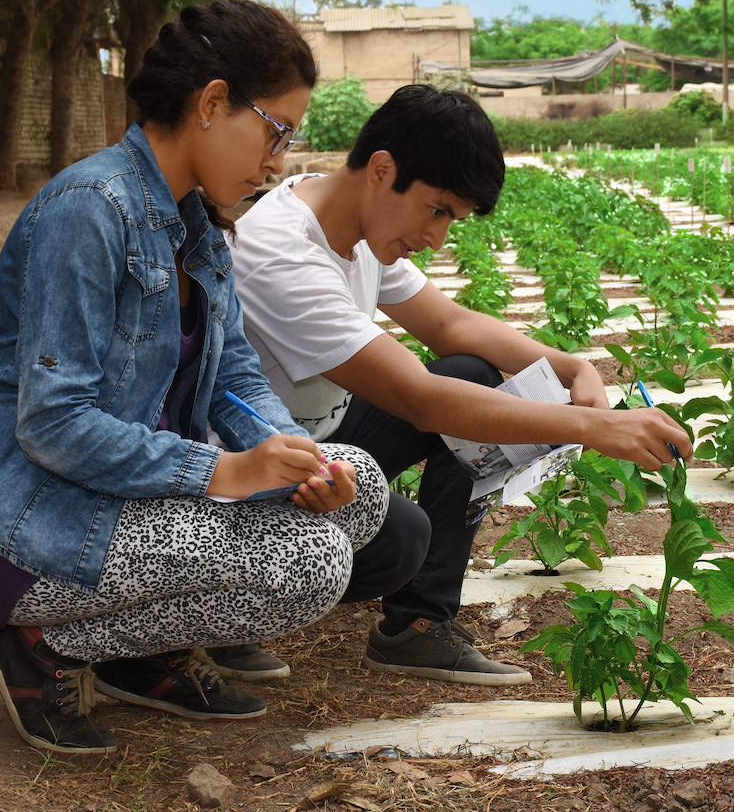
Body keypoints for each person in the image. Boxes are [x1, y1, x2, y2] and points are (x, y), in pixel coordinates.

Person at [0, 0, 388, 756]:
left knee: (357, 486)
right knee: (313, 561)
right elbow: (53, 422)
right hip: (16, 524)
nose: (279, 159)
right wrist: (223, 471)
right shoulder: (88, 210)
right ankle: (40, 644)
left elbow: (232, 377)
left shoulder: (195, 222)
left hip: (113, 504)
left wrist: (293, 453)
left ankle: (138, 654)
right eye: (277, 130)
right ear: (211, 104)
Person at [229, 83, 692, 685]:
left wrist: (571, 367)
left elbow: (451, 324)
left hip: (319, 440)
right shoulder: (283, 251)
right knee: (400, 539)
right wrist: (596, 426)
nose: (438, 236)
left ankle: (416, 629)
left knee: (474, 373)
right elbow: (420, 399)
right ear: (383, 170)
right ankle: (222, 614)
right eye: (439, 209)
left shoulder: (352, 222)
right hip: (247, 473)